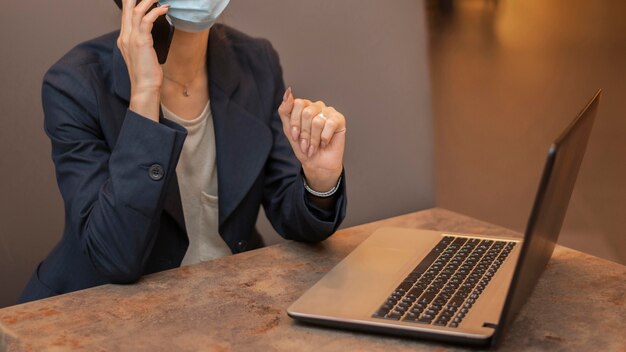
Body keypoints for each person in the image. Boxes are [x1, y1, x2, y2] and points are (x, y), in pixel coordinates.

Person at [19, 0, 347, 303]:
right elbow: (115, 258)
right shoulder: (74, 84)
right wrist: (145, 94)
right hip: (98, 314)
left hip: (224, 304)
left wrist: (319, 182)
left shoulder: (255, 62)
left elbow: (296, 221)